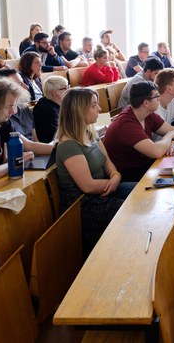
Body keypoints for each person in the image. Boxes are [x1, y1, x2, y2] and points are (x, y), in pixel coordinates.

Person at [55, 88, 126, 252]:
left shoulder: (89, 132)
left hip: (105, 191)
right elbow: (87, 185)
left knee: (141, 196)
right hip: (85, 205)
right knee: (132, 214)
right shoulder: (68, 145)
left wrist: (116, 175)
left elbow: (107, 161)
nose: (100, 109)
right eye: (94, 105)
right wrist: (113, 182)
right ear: (79, 110)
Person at [102, 81, 174, 184]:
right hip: (126, 177)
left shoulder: (147, 113)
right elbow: (156, 151)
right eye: (156, 96)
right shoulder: (126, 124)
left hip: (143, 167)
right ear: (146, 103)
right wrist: (171, 135)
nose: (159, 98)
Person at [0, 67, 36, 140]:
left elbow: (35, 140)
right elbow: (28, 146)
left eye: (23, 82)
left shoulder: (25, 107)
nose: (26, 86)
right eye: (19, 84)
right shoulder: (3, 116)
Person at [33, 76, 68, 143]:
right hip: (50, 146)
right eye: (65, 88)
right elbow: (56, 135)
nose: (69, 90)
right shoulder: (46, 110)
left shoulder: (58, 104)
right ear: (54, 92)